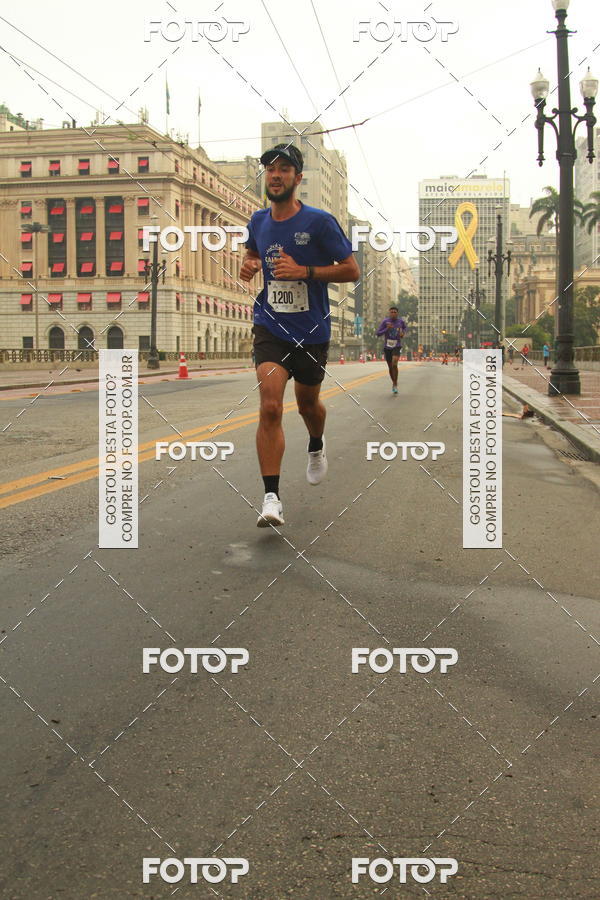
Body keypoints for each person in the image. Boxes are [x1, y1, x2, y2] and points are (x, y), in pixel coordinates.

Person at [240, 143, 359, 528]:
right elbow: (252, 254)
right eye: (270, 169)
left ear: (297, 178)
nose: (276, 175)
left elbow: (351, 270)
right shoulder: (258, 221)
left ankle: (316, 444)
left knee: (308, 405)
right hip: (270, 326)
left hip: (311, 331)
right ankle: (271, 498)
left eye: (284, 169)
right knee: (271, 406)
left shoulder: (320, 222)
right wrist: (249, 264)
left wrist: (305, 272)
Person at [376, 306, 407, 394]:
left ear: (397, 313)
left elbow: (405, 328)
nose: (393, 313)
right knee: (390, 367)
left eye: (395, 312)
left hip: (397, 345)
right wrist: (387, 329)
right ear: (389, 313)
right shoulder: (385, 322)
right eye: (391, 312)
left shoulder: (400, 321)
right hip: (387, 347)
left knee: (394, 363)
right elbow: (378, 333)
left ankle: (395, 383)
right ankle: (394, 382)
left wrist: (403, 333)